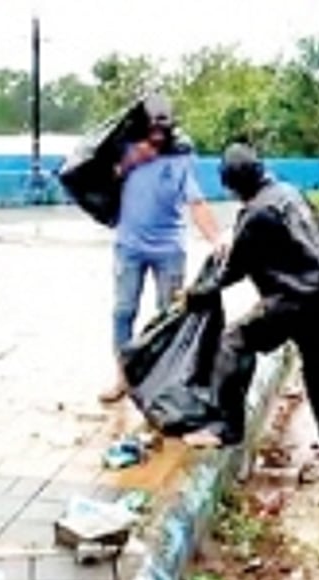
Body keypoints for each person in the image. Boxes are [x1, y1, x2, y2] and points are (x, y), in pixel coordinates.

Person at [181, 143, 319, 464]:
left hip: (297, 303)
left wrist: (194, 295)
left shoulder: (256, 213)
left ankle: (225, 429)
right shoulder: (290, 193)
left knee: (233, 343)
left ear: (233, 185)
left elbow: (232, 271)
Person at [99, 92, 225, 404]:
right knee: (123, 311)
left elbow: (195, 202)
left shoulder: (180, 155)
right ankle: (123, 379)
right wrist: (131, 160)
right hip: (129, 246)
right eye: (152, 130)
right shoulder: (125, 146)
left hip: (169, 249)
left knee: (168, 315)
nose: (157, 137)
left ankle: (161, 382)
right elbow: (102, 179)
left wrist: (217, 238)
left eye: (162, 131)